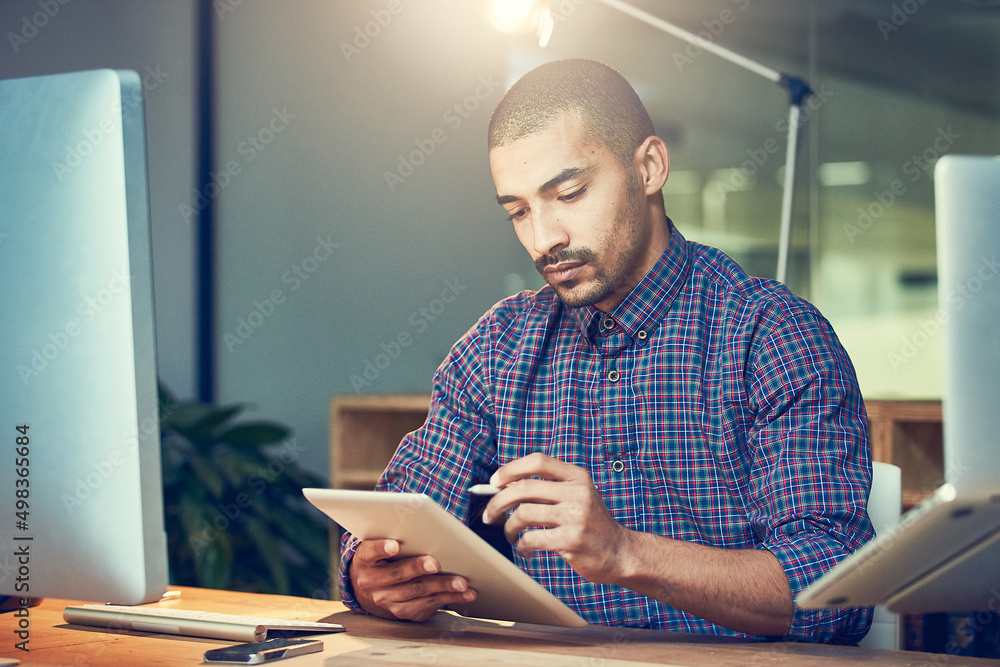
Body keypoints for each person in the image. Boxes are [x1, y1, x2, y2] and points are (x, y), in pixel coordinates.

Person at [340, 59, 874, 643]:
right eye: (518, 211)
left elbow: (837, 590)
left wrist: (623, 552)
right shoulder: (498, 348)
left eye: (568, 193)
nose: (544, 239)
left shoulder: (772, 335)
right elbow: (404, 514)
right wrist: (373, 576)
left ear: (649, 168)